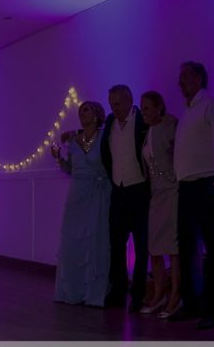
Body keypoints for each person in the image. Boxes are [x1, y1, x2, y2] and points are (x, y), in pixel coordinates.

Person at [171, 61, 214, 329]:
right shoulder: (187, 112)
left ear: (199, 79)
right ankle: (192, 305)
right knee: (187, 247)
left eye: (185, 77)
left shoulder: (211, 107)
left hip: (207, 185)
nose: (179, 83)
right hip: (187, 188)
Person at [51, 101, 112, 307]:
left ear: (96, 114)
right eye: (80, 111)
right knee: (72, 241)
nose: (82, 114)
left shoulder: (105, 137)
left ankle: (94, 293)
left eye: (86, 110)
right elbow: (70, 169)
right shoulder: (74, 141)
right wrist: (59, 159)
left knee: (95, 240)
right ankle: (72, 290)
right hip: (76, 194)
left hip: (97, 192)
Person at [99, 85, 149, 311]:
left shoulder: (142, 121)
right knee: (116, 244)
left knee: (141, 246)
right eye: (111, 104)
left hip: (139, 191)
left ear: (129, 100)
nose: (114, 108)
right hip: (118, 191)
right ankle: (118, 290)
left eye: (117, 103)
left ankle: (138, 295)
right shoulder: (109, 122)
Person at [138, 91, 180, 317]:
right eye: (142, 108)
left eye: (146, 108)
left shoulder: (171, 125)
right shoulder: (148, 132)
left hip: (172, 191)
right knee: (154, 246)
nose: (143, 112)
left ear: (159, 108)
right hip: (155, 195)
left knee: (172, 248)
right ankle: (158, 294)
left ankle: (175, 296)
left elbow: (181, 153)